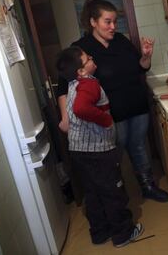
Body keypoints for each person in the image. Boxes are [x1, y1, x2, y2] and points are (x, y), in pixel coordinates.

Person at [57, 0, 168, 202]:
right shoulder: (81, 49)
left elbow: (141, 68)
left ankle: (148, 186)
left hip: (137, 107)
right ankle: (117, 195)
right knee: (113, 155)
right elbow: (64, 86)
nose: (113, 26)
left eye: (114, 22)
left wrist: (146, 56)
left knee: (138, 146)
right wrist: (65, 116)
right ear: (93, 22)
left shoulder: (121, 41)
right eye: (107, 21)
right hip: (109, 116)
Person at [56, 46, 143, 247]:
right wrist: (104, 120)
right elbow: (80, 108)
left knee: (93, 192)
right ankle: (123, 234)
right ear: (81, 71)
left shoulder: (73, 84)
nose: (92, 58)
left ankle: (99, 232)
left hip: (78, 150)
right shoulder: (89, 84)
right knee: (113, 190)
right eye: (87, 58)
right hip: (97, 150)